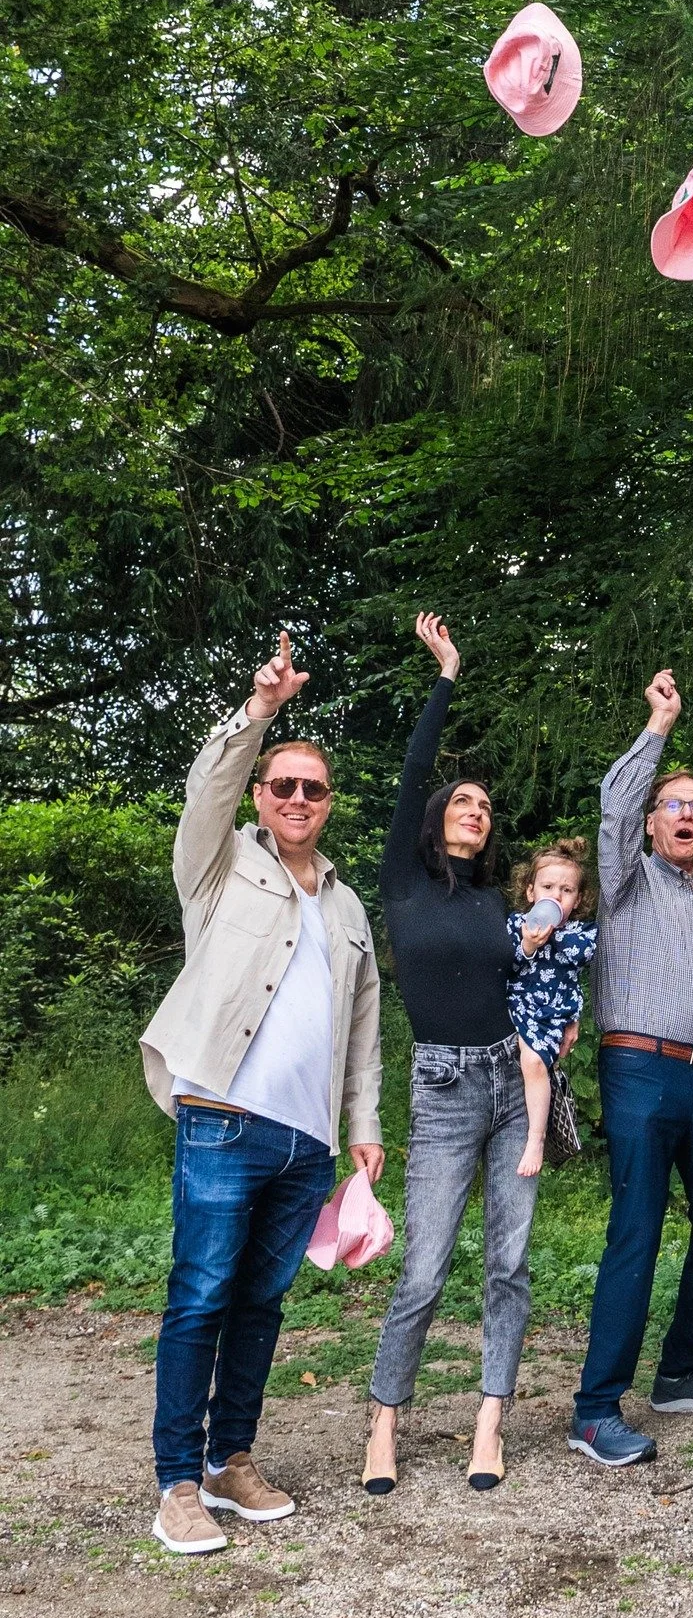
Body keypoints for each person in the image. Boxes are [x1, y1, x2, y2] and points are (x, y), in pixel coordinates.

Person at [140, 632, 384, 1555]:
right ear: (260, 796)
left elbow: (363, 1028)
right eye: (281, 784)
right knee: (200, 1295)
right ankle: (174, 1485)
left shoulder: (348, 906)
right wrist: (260, 713)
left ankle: (229, 1460)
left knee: (261, 1303)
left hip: (303, 1142)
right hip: (221, 1121)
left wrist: (363, 1126)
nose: (295, 798)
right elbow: (207, 788)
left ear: (327, 805)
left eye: (311, 788)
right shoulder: (219, 865)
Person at [568, 667, 693, 1466]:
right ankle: (593, 1409)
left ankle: (682, 1371)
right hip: (637, 1073)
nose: (688, 816)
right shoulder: (623, 886)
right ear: (654, 823)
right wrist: (658, 728)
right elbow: (613, 805)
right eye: (675, 805)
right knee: (638, 1231)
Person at [363, 614, 535, 1496]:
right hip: (441, 1087)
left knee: (508, 1262)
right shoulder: (405, 881)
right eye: (464, 802)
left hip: (512, 1083)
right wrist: (447, 676)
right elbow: (411, 773)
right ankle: (385, 1423)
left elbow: (527, 987)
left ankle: (489, 1419)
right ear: (438, 821)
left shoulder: (497, 906)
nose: (476, 811)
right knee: (425, 1266)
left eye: (486, 807)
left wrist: (554, 1026)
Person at [505, 839, 598, 1177]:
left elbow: (583, 965)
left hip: (548, 1016)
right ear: (530, 891)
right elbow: (506, 967)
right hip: (515, 1007)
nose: (556, 896)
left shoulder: (580, 934)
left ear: (578, 900)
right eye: (547, 887)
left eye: (566, 890)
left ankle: (537, 1138)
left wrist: (575, 1017)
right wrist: (528, 945)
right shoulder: (517, 926)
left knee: (532, 1063)